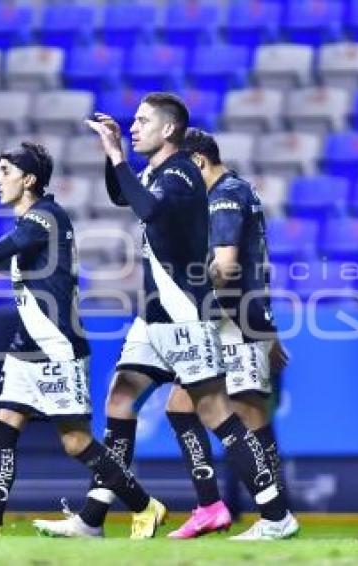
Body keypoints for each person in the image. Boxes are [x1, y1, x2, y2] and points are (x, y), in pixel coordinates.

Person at [33, 93, 296, 540]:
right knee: (120, 398)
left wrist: (118, 156)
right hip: (153, 317)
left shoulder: (182, 171)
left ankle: (276, 515)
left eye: (141, 121)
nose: (133, 127)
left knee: (216, 412)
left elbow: (148, 209)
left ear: (169, 129)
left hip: (183, 317)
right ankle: (93, 519)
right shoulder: (159, 171)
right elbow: (123, 195)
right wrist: (111, 153)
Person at [0, 141, 164, 538]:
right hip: (25, 348)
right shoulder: (30, 221)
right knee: (4, 423)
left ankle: (145, 505)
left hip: (58, 349)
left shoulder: (45, 218)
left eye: (4, 172)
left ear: (28, 179)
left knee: (75, 442)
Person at [163, 128, 293, 539]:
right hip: (241, 319)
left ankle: (274, 516)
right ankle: (213, 506)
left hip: (232, 321)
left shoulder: (222, 196)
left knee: (250, 416)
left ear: (198, 162)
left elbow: (226, 267)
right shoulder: (240, 190)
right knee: (181, 408)